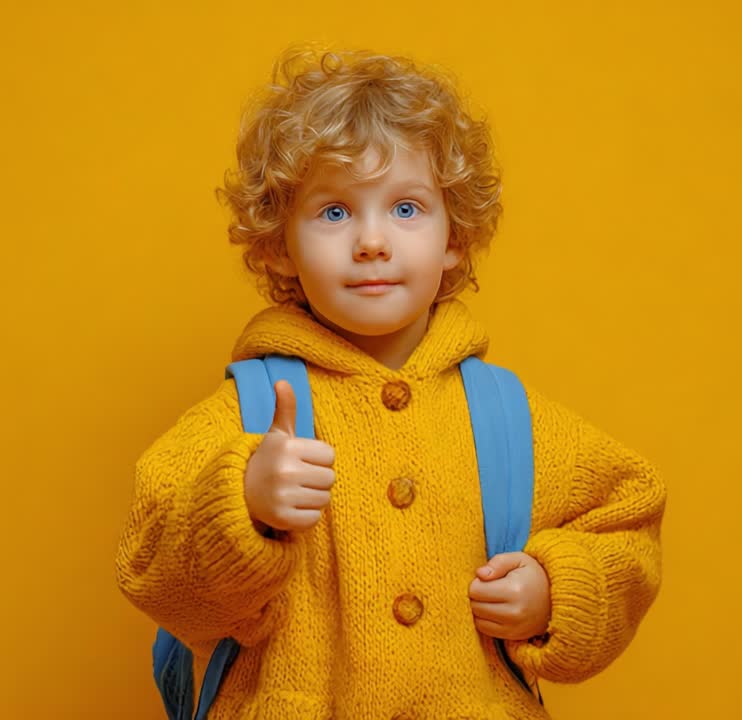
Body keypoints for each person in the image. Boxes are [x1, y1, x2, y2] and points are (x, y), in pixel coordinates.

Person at [115, 47, 666, 719]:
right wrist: (244, 502)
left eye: (406, 209)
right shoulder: (248, 415)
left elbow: (627, 526)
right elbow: (152, 572)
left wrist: (556, 589)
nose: (372, 241)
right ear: (281, 242)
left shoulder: (506, 418)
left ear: (453, 235)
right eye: (335, 213)